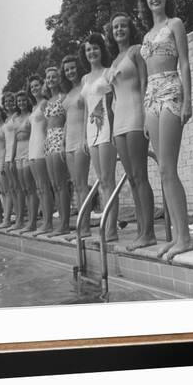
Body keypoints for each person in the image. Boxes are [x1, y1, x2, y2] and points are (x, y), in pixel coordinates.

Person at [138, 0, 193, 260]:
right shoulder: (146, 36)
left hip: (172, 92)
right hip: (152, 100)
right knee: (161, 171)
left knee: (169, 169)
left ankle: (184, 238)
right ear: (145, 1)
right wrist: (146, 113)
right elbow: (146, 77)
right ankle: (176, 237)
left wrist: (188, 99)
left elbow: (184, 63)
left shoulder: (176, 24)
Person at [107, 12, 157, 250]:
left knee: (140, 176)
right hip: (119, 123)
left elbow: (146, 84)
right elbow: (113, 98)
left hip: (137, 116)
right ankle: (141, 230)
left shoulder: (136, 51)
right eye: (115, 27)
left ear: (129, 28)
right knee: (132, 181)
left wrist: (147, 117)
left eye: (123, 26)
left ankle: (148, 233)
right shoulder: (114, 60)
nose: (119, 30)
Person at [79, 32, 118, 242]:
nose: (91, 52)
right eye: (88, 49)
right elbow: (86, 109)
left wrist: (112, 131)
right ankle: (107, 225)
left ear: (101, 49)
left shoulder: (108, 72)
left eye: (95, 47)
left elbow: (114, 103)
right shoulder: (85, 78)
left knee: (109, 180)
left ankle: (111, 229)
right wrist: (85, 138)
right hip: (91, 130)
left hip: (107, 128)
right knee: (101, 180)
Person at [60, 55, 91, 238]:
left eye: (72, 68)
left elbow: (89, 112)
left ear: (78, 68)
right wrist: (63, 141)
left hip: (81, 140)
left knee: (81, 185)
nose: (70, 72)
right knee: (76, 185)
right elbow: (67, 120)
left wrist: (86, 138)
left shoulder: (84, 87)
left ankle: (85, 228)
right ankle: (81, 226)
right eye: (67, 70)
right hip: (69, 143)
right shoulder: (69, 93)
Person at [44, 66, 71, 236]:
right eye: (49, 77)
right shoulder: (47, 101)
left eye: (54, 77)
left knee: (61, 184)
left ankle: (65, 224)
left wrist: (63, 141)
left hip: (59, 136)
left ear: (59, 79)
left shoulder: (64, 97)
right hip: (48, 140)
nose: (51, 79)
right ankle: (60, 222)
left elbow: (68, 120)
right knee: (54, 185)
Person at [27, 74, 54, 235]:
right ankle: (44, 221)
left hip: (41, 146)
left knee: (44, 186)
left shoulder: (44, 103)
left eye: (37, 85)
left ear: (41, 86)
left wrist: (47, 145)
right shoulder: (34, 107)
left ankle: (48, 223)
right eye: (32, 87)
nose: (34, 88)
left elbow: (50, 123)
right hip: (32, 147)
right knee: (39, 188)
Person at [12, 90, 39, 233]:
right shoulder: (15, 118)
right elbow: (14, 140)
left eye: (23, 100)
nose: (21, 103)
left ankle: (33, 221)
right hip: (18, 153)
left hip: (29, 149)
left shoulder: (31, 115)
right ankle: (24, 220)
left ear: (27, 101)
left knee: (31, 188)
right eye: (19, 101)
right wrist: (12, 157)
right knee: (24, 189)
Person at [1, 92, 23, 231]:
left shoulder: (16, 117)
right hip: (7, 156)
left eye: (11, 101)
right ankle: (15, 218)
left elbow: (15, 138)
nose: (9, 103)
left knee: (18, 189)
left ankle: (20, 219)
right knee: (13, 189)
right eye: (6, 101)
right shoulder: (7, 119)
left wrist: (13, 157)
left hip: (14, 156)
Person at [0, 105, 12, 229]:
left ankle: (7, 219)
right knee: (3, 192)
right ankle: (5, 217)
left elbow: (7, 145)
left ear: (2, 113)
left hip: (3, 160)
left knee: (7, 191)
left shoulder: (5, 126)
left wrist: (5, 162)